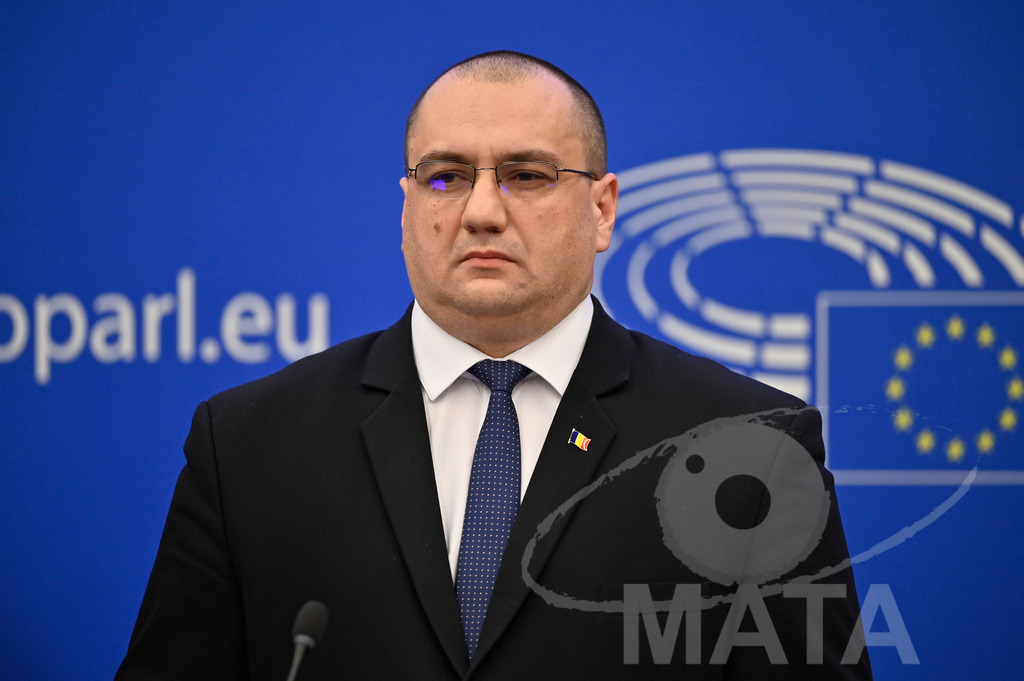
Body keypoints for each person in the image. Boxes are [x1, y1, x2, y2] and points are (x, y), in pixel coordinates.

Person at [116, 51, 872, 680]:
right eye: (446, 176)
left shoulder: (751, 447)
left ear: (602, 209)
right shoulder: (249, 443)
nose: (481, 211)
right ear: (406, 207)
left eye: (527, 175)